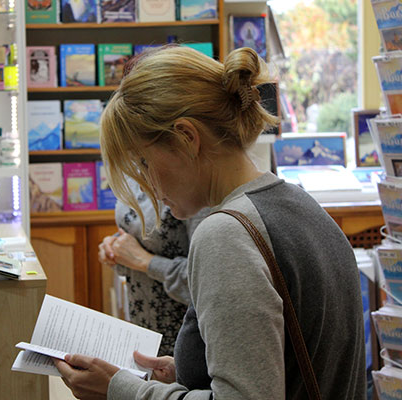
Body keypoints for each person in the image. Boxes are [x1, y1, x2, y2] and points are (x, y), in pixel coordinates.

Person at [53, 45, 366, 399]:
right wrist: (189, 372)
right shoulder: (302, 206)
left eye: (144, 163)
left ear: (187, 137)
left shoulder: (226, 235)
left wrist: (122, 389)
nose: (148, 186)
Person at [98, 180, 207, 356]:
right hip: (144, 329)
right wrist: (117, 247)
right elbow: (154, 237)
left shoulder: (196, 189)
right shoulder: (131, 177)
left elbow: (205, 282)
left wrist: (145, 261)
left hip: (186, 340)